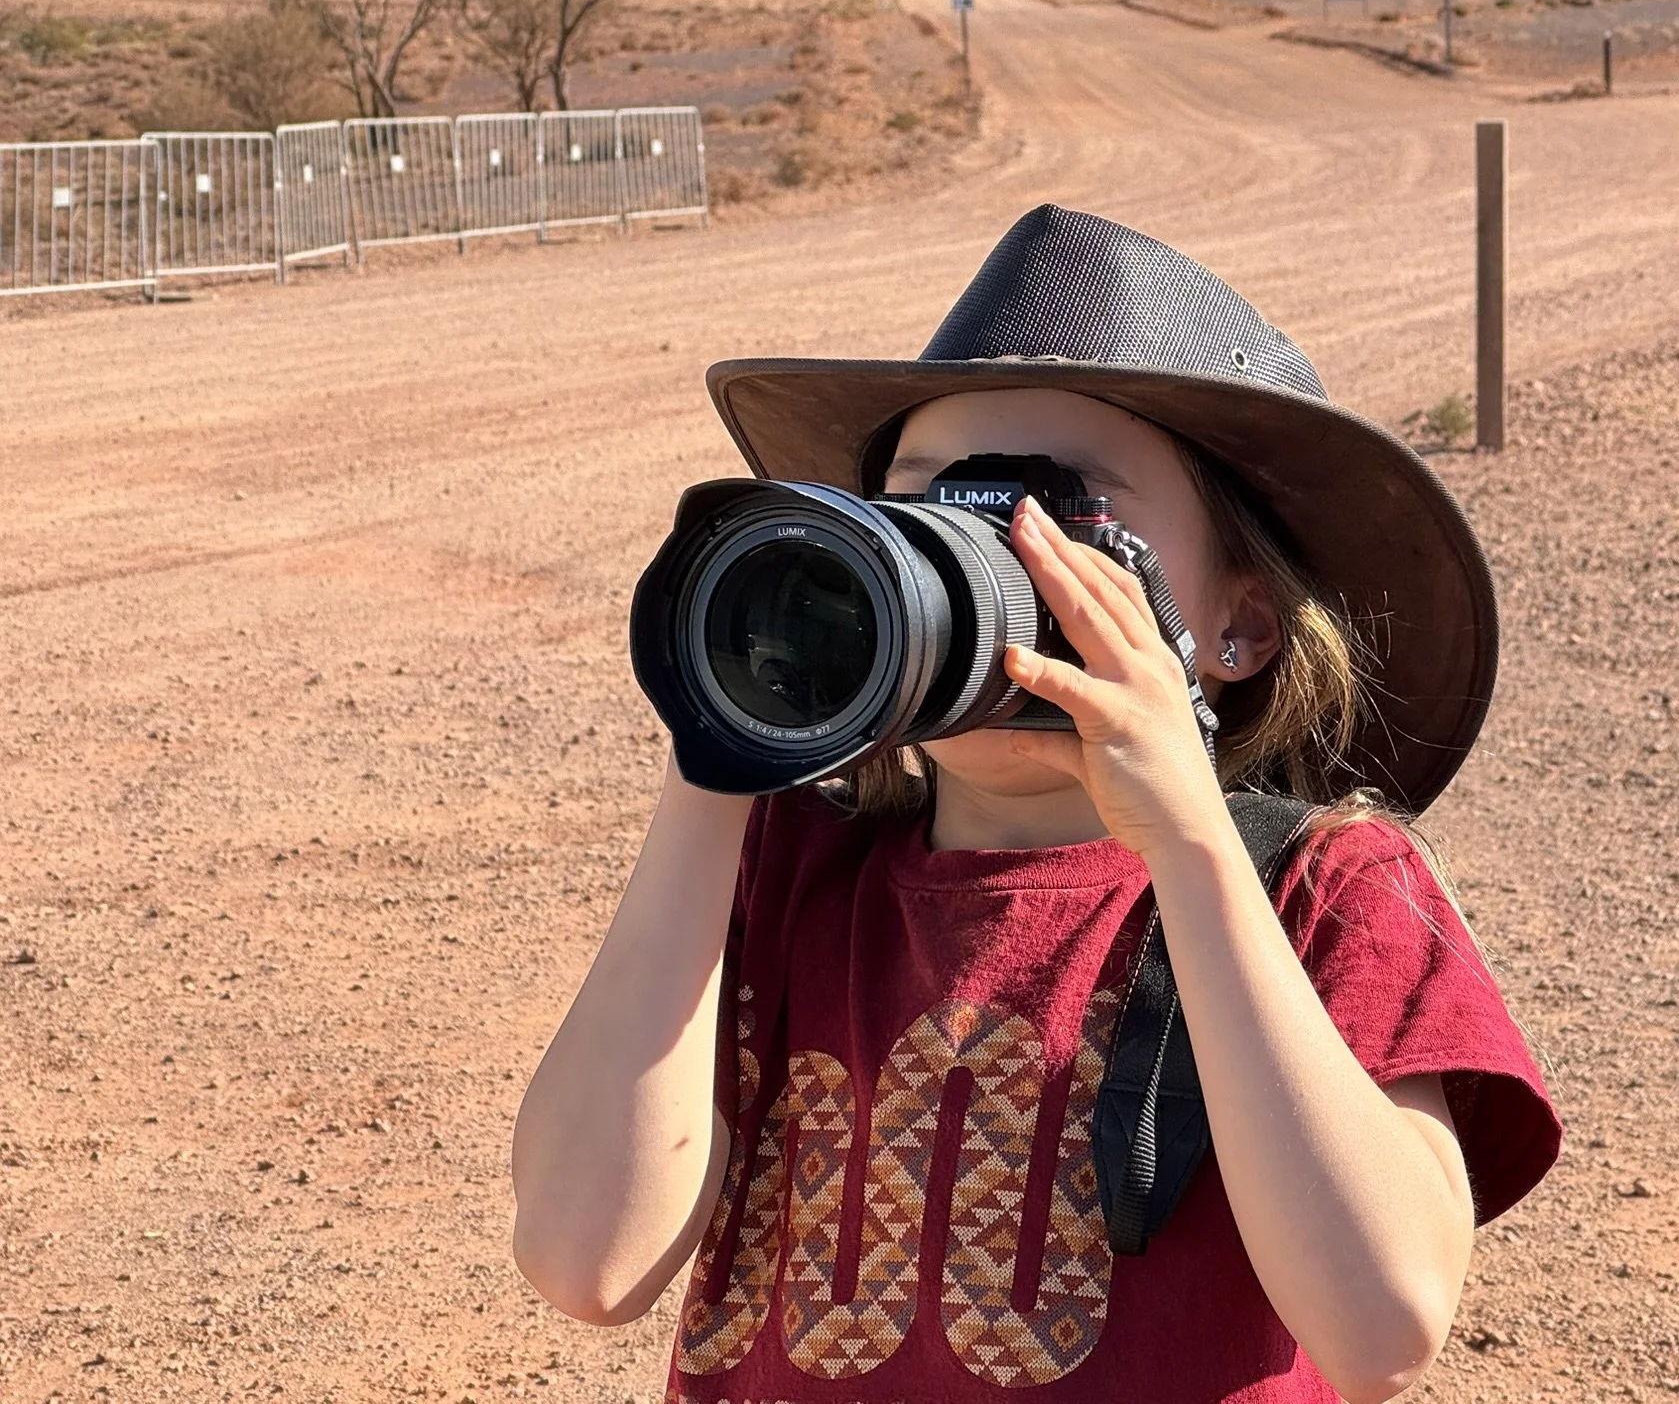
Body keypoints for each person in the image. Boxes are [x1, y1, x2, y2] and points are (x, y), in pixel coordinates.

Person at [510, 205, 1562, 1403]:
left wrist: (1187, 843)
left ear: (1238, 624)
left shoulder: (1319, 889)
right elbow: (583, 1259)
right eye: (919, 511)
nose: (976, 552)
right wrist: (721, 748)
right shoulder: (784, 868)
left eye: (1054, 512)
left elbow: (1381, 1326)